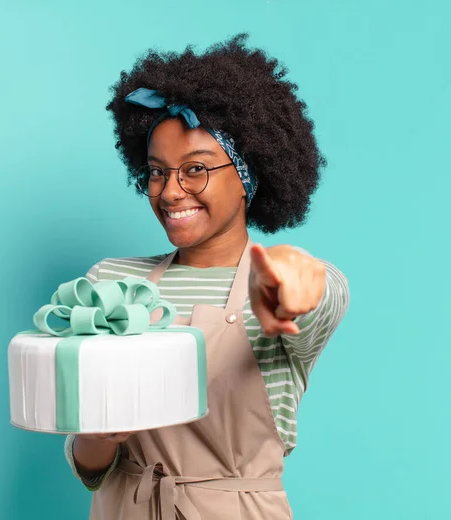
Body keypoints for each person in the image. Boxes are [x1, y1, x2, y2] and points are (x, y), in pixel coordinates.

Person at [64, 34, 350, 520]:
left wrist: (293, 284)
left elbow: (316, 291)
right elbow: (91, 466)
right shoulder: (109, 282)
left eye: (195, 169)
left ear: (247, 175)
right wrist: (96, 435)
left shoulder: (288, 287)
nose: (171, 191)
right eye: (157, 172)